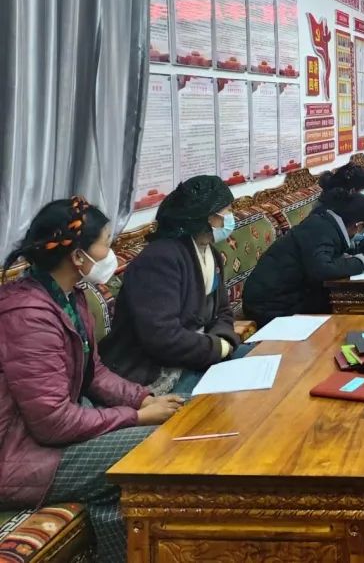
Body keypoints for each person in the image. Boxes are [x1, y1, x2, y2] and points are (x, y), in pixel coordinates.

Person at [0, 197, 182, 562]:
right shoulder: (28, 315)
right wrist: (136, 417)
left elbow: (93, 371)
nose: (112, 253)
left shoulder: (68, 295)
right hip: (18, 456)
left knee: (178, 420)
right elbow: (53, 422)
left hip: (44, 437)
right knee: (155, 444)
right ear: (77, 256)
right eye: (106, 243)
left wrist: (142, 399)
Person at [101, 175, 246, 395]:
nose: (230, 217)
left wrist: (223, 341)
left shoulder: (211, 253)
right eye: (227, 211)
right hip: (155, 371)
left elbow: (223, 311)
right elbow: (162, 336)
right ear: (208, 217)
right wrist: (217, 348)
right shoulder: (159, 259)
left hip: (200, 354)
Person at [242, 189, 364, 327]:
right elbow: (322, 269)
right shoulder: (320, 230)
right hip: (271, 307)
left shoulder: (328, 224)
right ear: (359, 226)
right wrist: (362, 264)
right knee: (347, 315)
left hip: (289, 297)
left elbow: (340, 253)